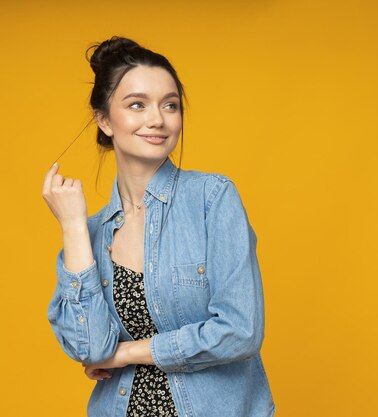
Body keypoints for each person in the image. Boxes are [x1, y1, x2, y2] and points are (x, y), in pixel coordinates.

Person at [42, 36, 276, 417]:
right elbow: (89, 349)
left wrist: (128, 353)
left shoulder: (212, 199)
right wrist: (73, 227)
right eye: (137, 105)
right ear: (104, 119)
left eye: (171, 105)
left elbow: (240, 330)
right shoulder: (92, 232)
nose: (158, 119)